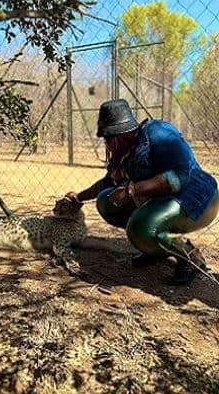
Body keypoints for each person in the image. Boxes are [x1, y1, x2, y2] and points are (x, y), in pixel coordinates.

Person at [66, 99, 218, 285]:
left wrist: (133, 189)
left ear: (120, 134)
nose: (106, 143)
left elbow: (180, 176)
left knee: (142, 227)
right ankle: (153, 249)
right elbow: (107, 183)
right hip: (167, 199)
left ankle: (191, 258)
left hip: (198, 198)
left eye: (108, 137)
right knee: (106, 200)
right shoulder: (126, 153)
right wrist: (79, 197)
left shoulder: (158, 132)